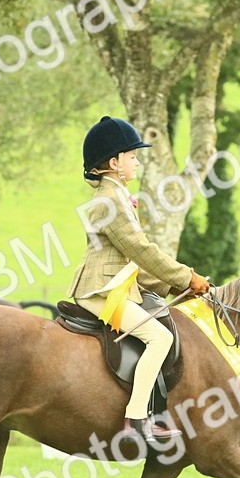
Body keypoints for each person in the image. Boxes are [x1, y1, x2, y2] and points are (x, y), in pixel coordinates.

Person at [68, 116, 211, 443]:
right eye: (132, 156)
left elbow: (133, 260)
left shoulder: (116, 195)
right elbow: (142, 250)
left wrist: (173, 285)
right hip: (101, 290)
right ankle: (136, 421)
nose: (137, 161)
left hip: (113, 285)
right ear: (115, 162)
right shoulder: (111, 199)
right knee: (159, 339)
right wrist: (187, 276)